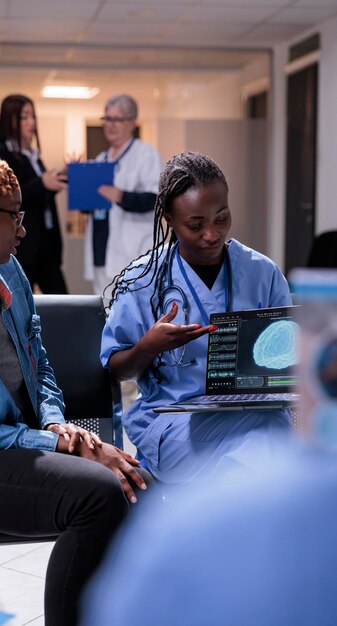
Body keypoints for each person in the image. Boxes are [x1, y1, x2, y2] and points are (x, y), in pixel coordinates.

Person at [0, 146, 148, 626]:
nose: (24, 228)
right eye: (14, 215)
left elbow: (39, 361)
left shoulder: (9, 272)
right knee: (99, 495)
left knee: (138, 486)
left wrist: (56, 423)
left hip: (23, 442)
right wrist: (59, 441)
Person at [101, 151, 293, 484]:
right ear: (170, 222)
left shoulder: (262, 272)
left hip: (253, 412)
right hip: (176, 422)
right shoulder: (144, 279)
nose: (211, 233)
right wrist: (148, 346)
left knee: (268, 434)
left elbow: (288, 361)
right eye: (195, 224)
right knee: (265, 452)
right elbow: (117, 369)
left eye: (221, 217)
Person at [81, 435, 337, 626]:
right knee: (109, 491)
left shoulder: (179, 527)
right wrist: (57, 438)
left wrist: (56, 426)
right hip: (181, 423)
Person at [84, 94, 163, 296]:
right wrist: (78, 184)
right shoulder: (101, 159)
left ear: (132, 122)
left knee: (131, 314)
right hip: (101, 252)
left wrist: (120, 196)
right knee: (103, 312)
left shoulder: (145, 155)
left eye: (117, 119)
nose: (110, 125)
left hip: (132, 252)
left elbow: (156, 199)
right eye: (107, 119)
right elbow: (91, 206)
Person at [0, 94, 68, 294]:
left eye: (32, 116)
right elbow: (7, 196)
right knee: (21, 304)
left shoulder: (34, 156)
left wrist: (59, 176)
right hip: (24, 247)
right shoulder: (1, 153)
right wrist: (42, 183)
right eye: (24, 117)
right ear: (10, 120)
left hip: (46, 246)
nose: (31, 122)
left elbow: (40, 195)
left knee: (62, 303)